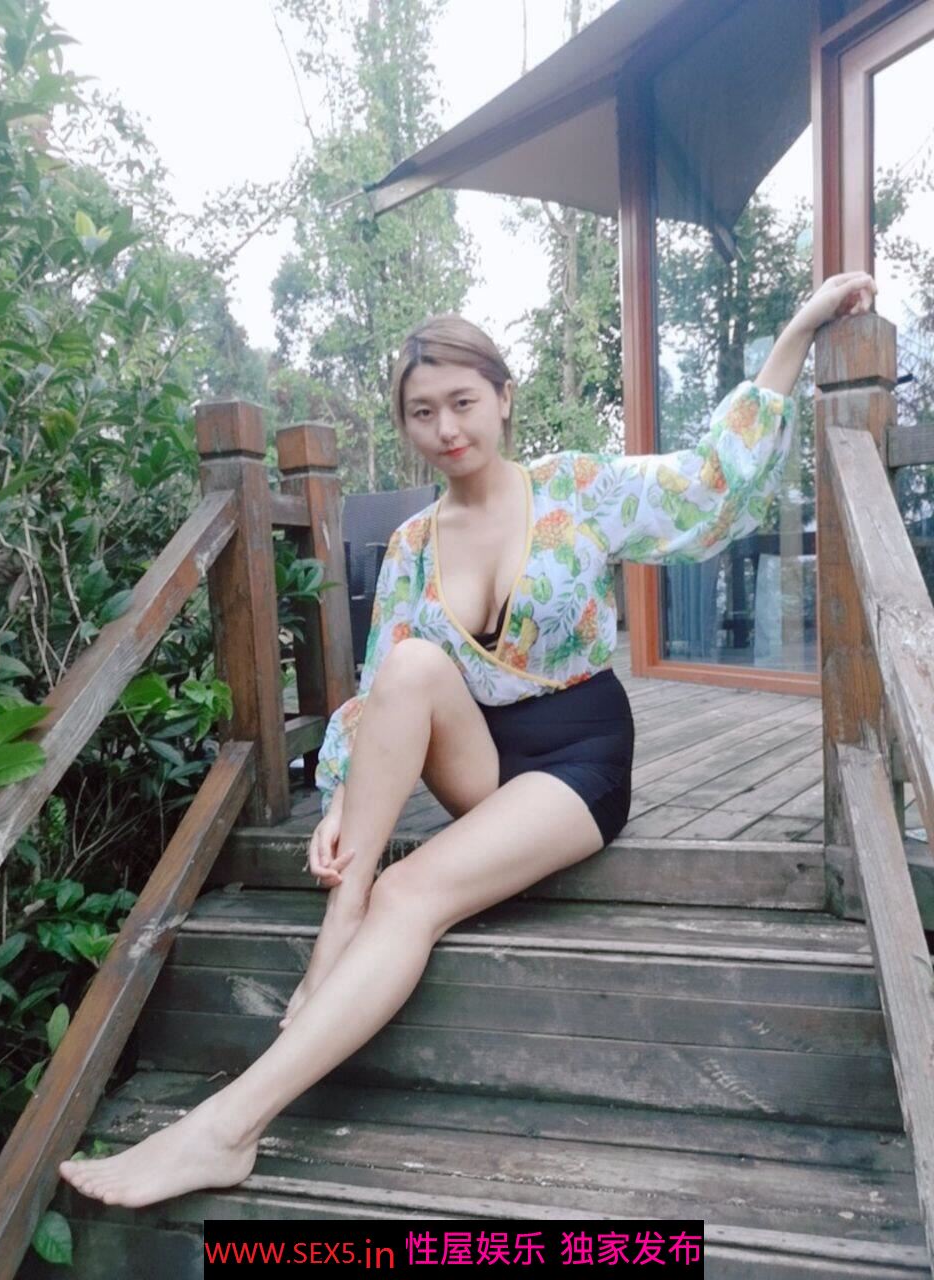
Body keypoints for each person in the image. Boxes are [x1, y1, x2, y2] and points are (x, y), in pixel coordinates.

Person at [58, 270, 875, 1209]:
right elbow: (380, 689)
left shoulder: (575, 489)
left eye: (462, 403)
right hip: (481, 758)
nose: (446, 429)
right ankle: (340, 920)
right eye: (422, 413)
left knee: (412, 891)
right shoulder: (412, 544)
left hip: (577, 756)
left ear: (503, 397)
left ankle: (226, 1129)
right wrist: (339, 797)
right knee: (409, 664)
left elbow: (711, 485)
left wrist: (798, 331)